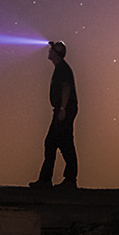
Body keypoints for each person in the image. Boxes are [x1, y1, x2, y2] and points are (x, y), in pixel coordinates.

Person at [32, 40, 78, 189]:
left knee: (62, 143)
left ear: (57, 54)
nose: (49, 52)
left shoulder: (62, 69)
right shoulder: (60, 68)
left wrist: (63, 109)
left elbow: (66, 88)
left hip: (65, 108)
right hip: (63, 108)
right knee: (54, 142)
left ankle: (66, 180)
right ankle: (48, 180)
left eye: (52, 50)